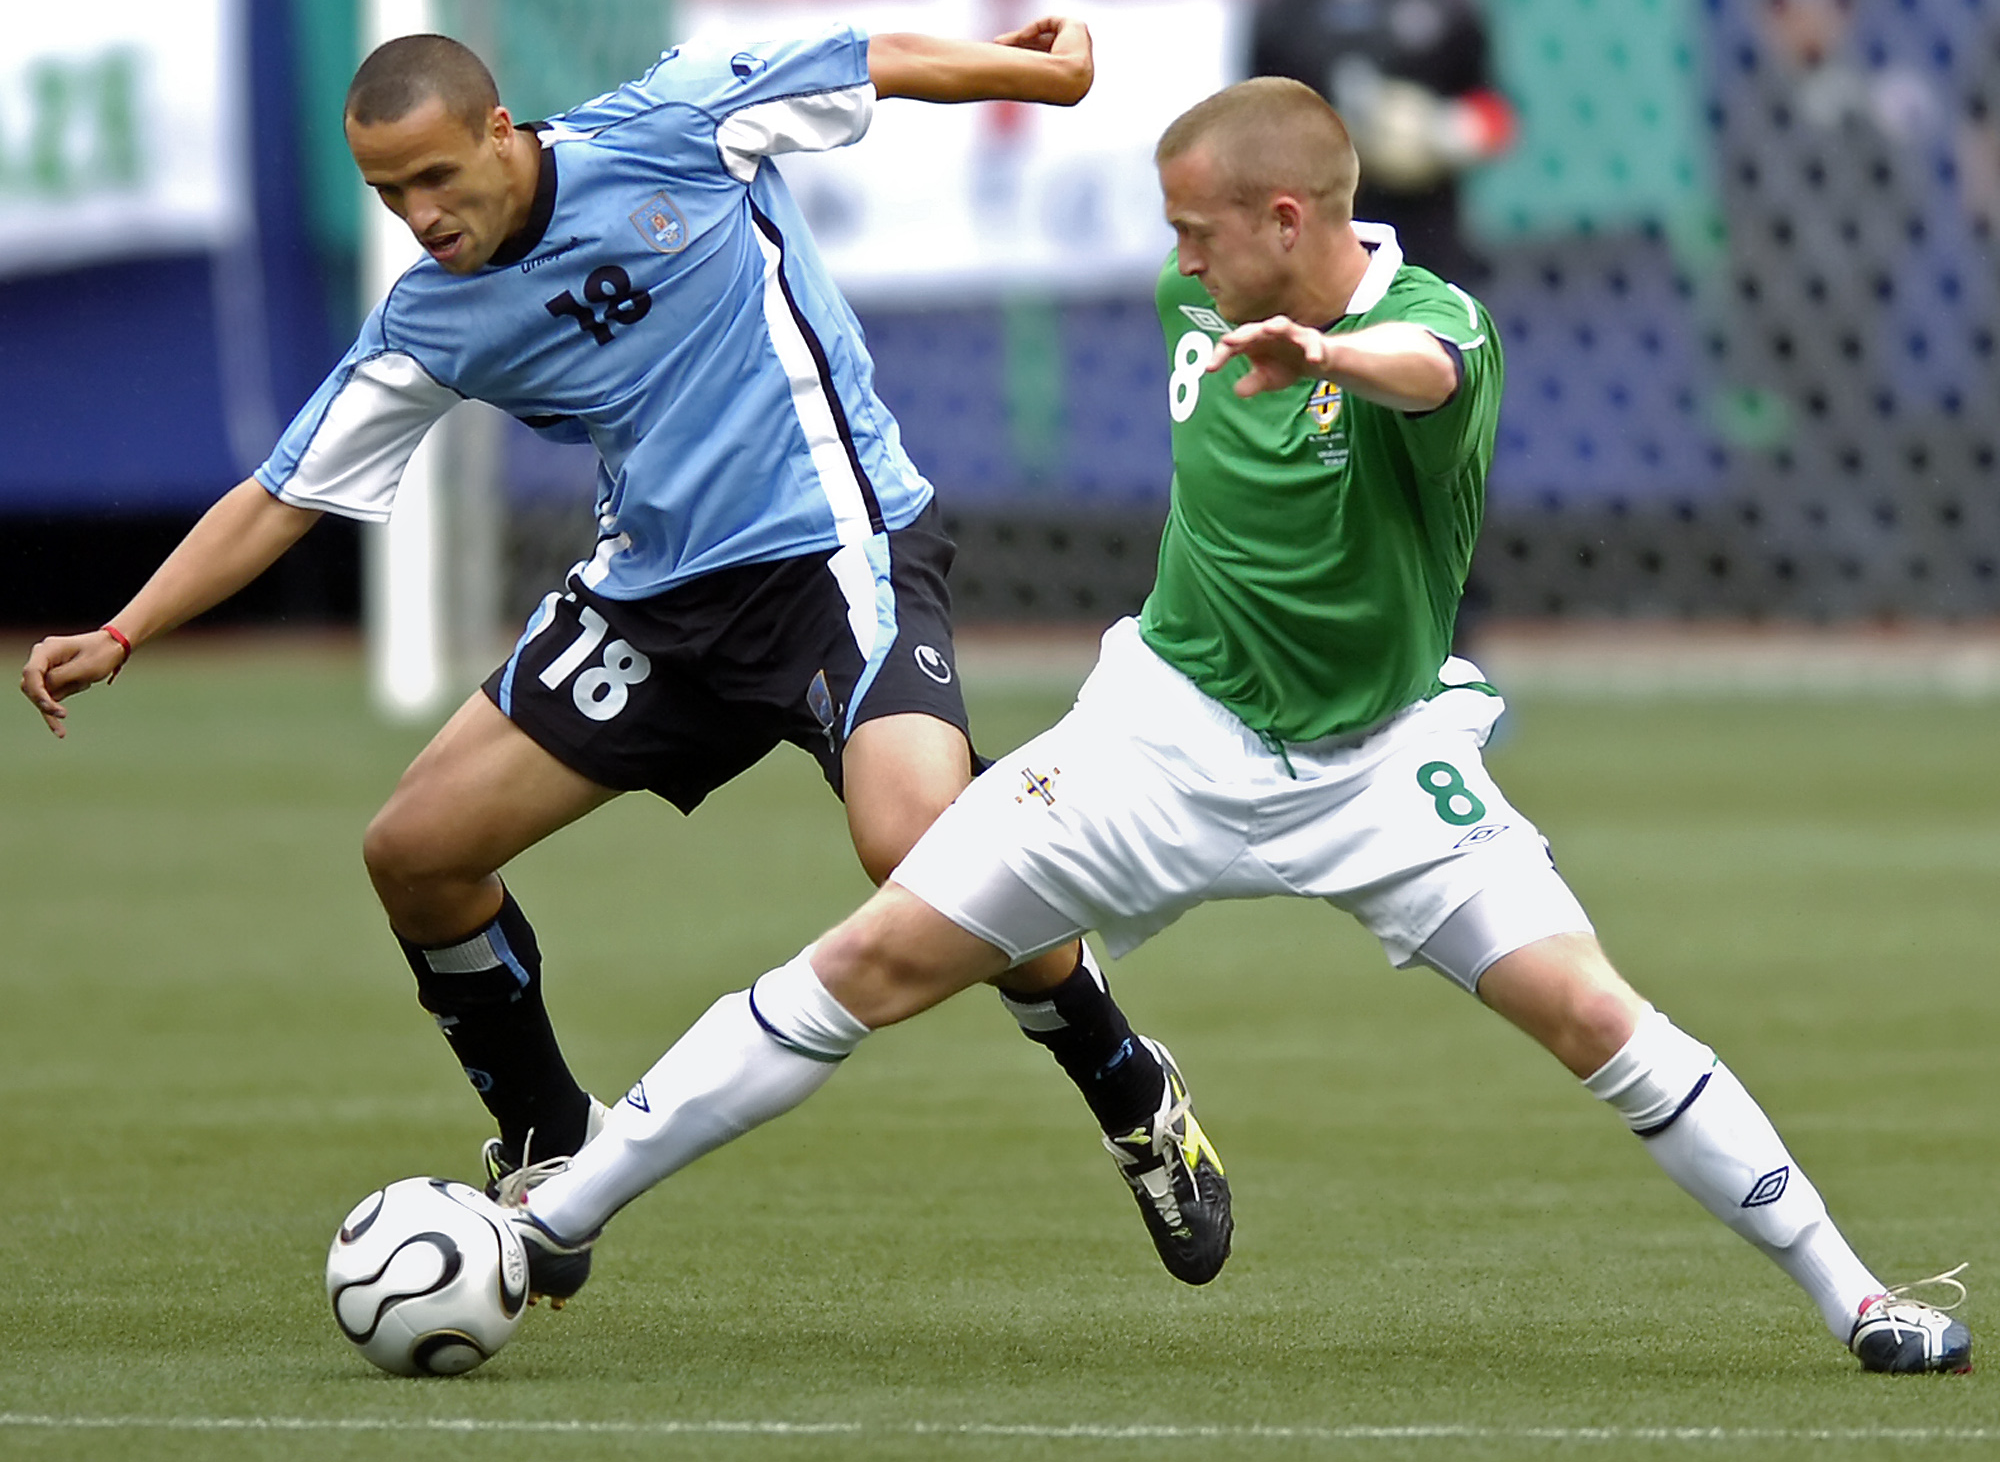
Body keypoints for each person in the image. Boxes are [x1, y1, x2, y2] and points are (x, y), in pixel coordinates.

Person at [490, 77, 1972, 1375]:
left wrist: (1327, 357)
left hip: (1380, 766)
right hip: (1161, 737)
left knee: (1593, 1011)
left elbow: (1430, 371)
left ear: (1285, 218)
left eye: (1198, 230)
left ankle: (1862, 1299)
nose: (1175, 260)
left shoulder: (1435, 328)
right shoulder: (1193, 295)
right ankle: (553, 1218)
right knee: (873, 954)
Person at [17, 20, 1231, 1299]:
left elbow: (864, 60)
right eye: (388, 194)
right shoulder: (435, 315)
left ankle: (1125, 1082)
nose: (420, 215)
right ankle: (551, 1142)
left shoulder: (669, 126)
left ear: (500, 131)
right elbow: (282, 492)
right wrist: (125, 627)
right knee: (417, 853)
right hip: (654, 602)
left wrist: (1037, 73)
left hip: (832, 548)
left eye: (437, 177)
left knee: (920, 850)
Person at [1247, 0, 1514, 289]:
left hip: (1430, 246)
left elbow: (1496, 114)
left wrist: (1440, 132)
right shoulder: (1281, 8)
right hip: (1321, 260)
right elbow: (1253, 130)